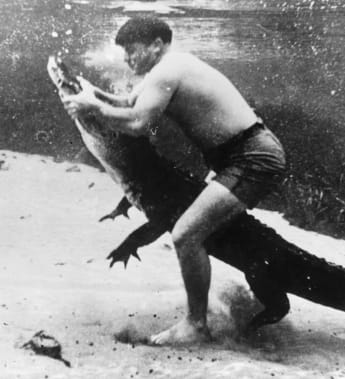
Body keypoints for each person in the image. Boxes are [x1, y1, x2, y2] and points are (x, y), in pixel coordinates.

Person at [62, 16, 286, 345]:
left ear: (156, 45)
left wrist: (92, 106)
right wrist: (91, 94)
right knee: (213, 232)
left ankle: (196, 325)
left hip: (252, 158)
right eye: (124, 53)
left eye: (132, 51)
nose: (128, 60)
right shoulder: (167, 69)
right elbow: (127, 103)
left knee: (185, 234)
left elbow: (138, 122)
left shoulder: (169, 68)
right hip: (235, 158)